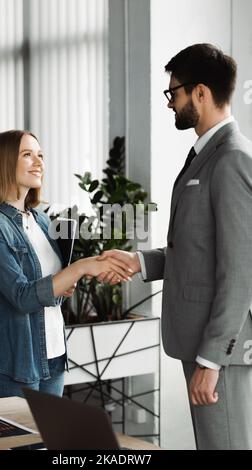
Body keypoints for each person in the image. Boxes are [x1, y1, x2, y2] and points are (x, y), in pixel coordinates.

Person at [99, 44, 252, 450]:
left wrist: (211, 359)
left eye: (174, 93)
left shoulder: (232, 159)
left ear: (199, 93)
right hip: (201, 339)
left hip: (219, 347)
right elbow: (199, 249)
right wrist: (139, 261)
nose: (170, 104)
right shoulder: (206, 155)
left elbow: (240, 269)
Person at [0, 130, 132, 400]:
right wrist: (80, 268)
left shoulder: (42, 221)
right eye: (27, 155)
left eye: (41, 155)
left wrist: (70, 282)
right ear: (4, 162)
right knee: (21, 443)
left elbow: (48, 287)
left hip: (54, 356)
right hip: (15, 362)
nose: (39, 162)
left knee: (47, 442)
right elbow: (21, 296)